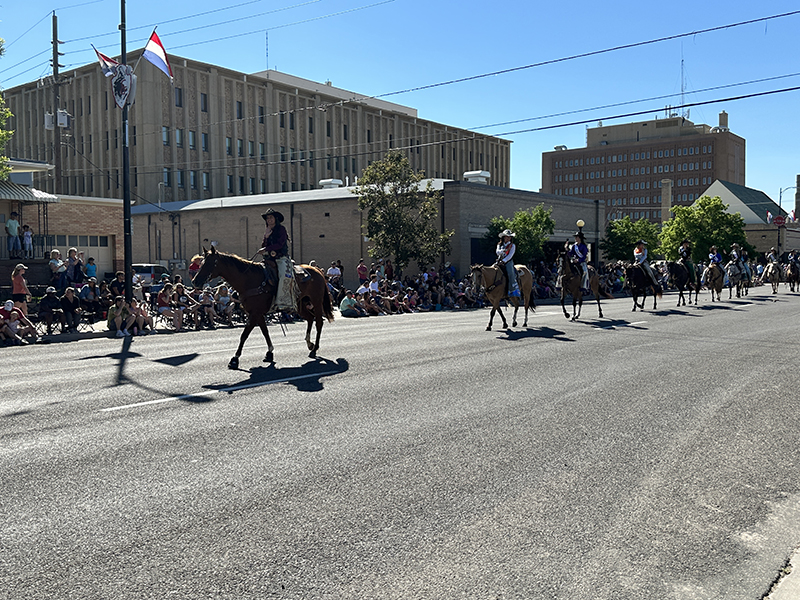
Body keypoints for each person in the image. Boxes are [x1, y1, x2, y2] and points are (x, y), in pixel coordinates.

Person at [256, 208, 295, 311]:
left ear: (275, 218)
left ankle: (283, 302)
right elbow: (263, 245)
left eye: (271, 217)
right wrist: (266, 236)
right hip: (268, 258)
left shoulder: (281, 229)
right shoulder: (267, 231)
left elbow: (280, 244)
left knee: (283, 275)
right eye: (267, 218)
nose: (269, 220)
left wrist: (266, 249)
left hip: (281, 258)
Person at [496, 229, 520, 297]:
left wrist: (503, 261)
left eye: (509, 237)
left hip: (508, 262)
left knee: (510, 273)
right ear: (503, 237)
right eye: (506, 236)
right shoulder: (499, 245)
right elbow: (497, 252)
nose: (507, 238)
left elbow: (510, 256)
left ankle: (512, 289)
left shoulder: (512, 246)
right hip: (499, 260)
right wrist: (503, 251)